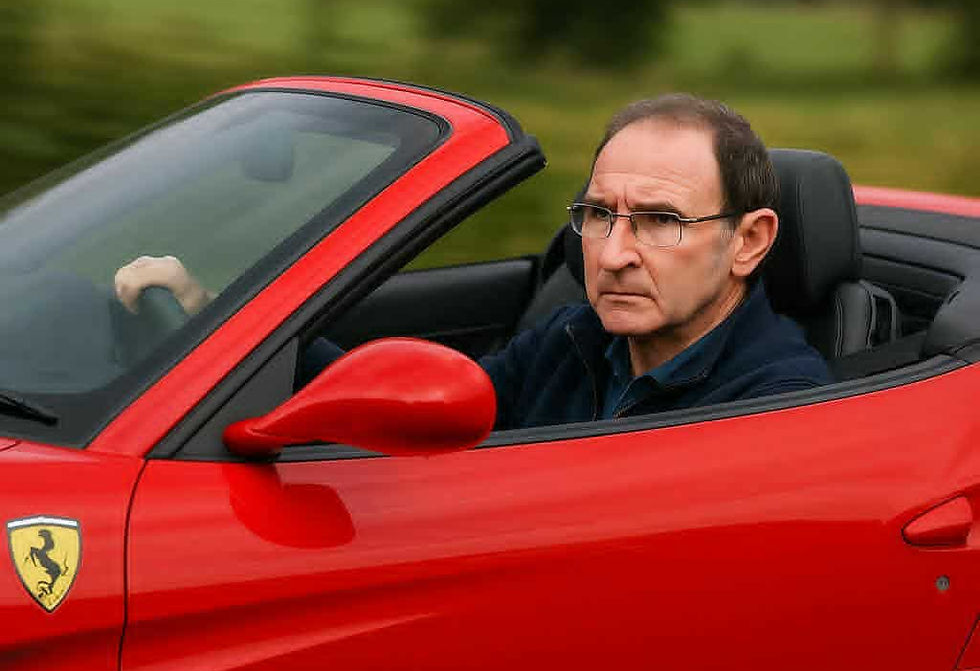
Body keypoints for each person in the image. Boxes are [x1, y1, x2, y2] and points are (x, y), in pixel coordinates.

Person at [115, 93, 830, 430]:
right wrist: (234, 328)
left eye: (661, 223)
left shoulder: (775, 405)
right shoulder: (573, 340)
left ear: (749, 242)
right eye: (599, 216)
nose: (613, 256)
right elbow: (426, 418)